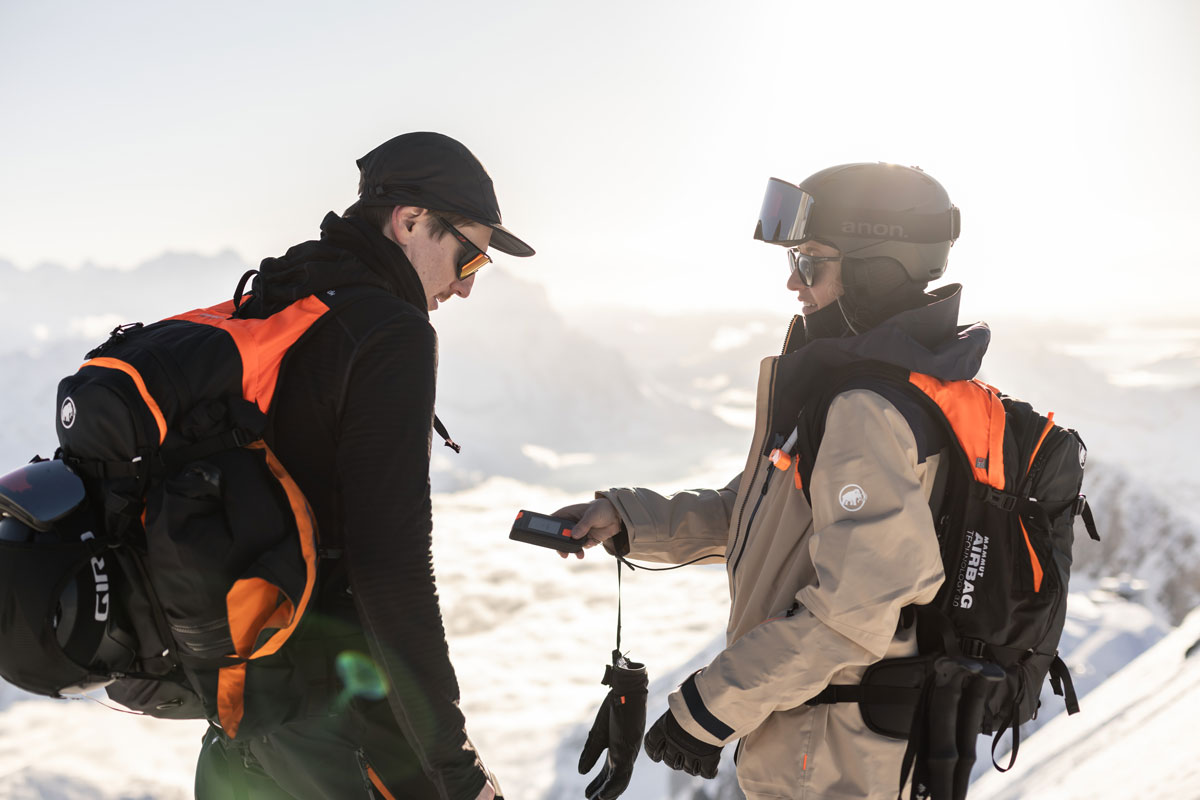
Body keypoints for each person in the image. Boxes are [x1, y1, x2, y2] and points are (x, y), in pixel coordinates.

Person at [559, 163, 982, 799]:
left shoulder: (867, 410)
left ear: (876, 268)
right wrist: (629, 519)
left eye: (811, 263)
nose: (793, 282)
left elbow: (854, 614)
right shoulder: (849, 388)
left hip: (835, 754)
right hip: (814, 730)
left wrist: (708, 709)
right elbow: (760, 517)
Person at [194, 132, 534, 800]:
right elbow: (391, 566)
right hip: (337, 721)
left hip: (241, 712)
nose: (465, 289)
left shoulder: (284, 296)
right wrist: (454, 766)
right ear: (409, 222)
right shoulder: (390, 332)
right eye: (469, 259)